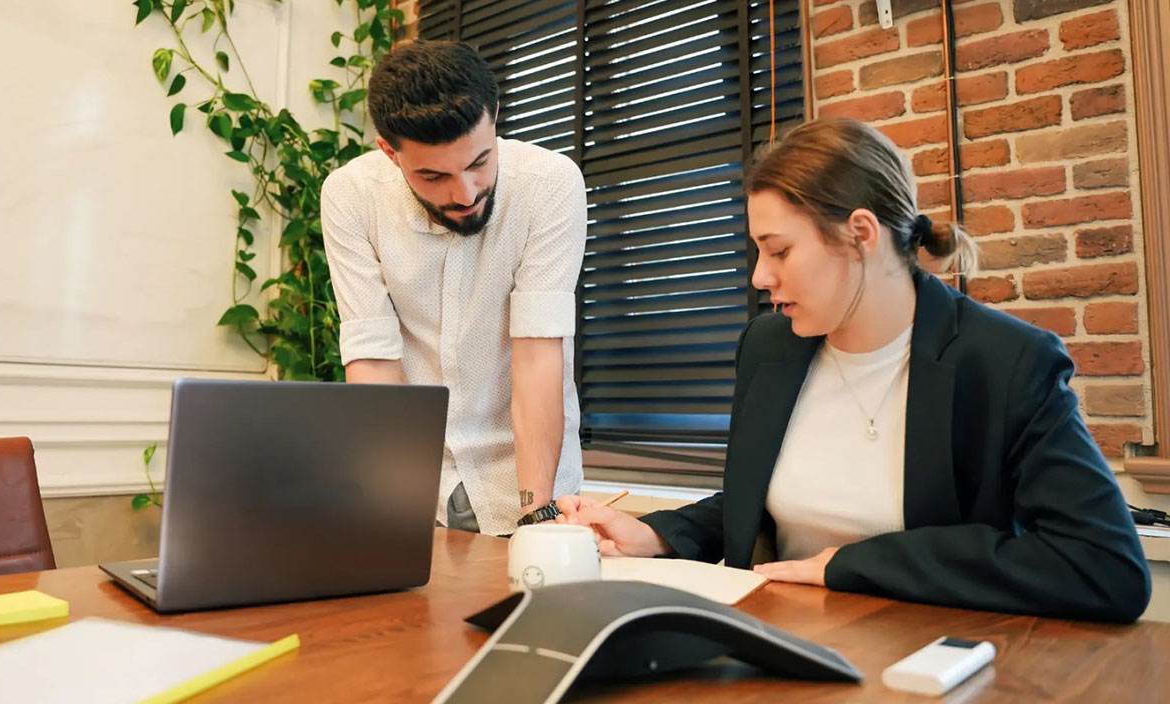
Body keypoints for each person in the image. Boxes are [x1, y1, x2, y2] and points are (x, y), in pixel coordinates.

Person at [558, 117, 1151, 623]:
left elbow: (1103, 567)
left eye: (780, 250)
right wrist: (658, 536)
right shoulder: (770, 348)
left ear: (860, 233)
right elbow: (761, 501)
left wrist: (851, 564)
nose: (759, 277)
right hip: (771, 646)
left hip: (926, 661)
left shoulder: (1006, 363)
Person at [321, 40, 587, 536]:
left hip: (528, 480)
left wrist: (536, 516)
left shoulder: (549, 184)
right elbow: (374, 359)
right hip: (419, 481)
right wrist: (393, 502)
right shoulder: (352, 195)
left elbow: (537, 355)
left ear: (496, 117)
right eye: (433, 175)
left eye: (479, 163)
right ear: (390, 153)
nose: (464, 194)